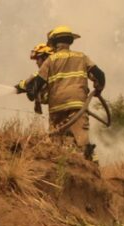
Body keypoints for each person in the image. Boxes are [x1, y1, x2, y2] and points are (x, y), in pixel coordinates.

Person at [27, 25, 105, 161]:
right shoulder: (82, 57)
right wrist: (98, 89)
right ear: (70, 41)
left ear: (54, 43)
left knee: (56, 144)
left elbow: (36, 85)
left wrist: (32, 95)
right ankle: (92, 171)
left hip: (56, 108)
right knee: (83, 143)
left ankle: (60, 170)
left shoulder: (50, 61)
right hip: (77, 107)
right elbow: (100, 75)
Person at [15, 43, 55, 115]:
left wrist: (21, 86)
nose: (36, 62)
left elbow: (31, 83)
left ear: (45, 58)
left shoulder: (42, 74)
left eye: (37, 59)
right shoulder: (58, 69)